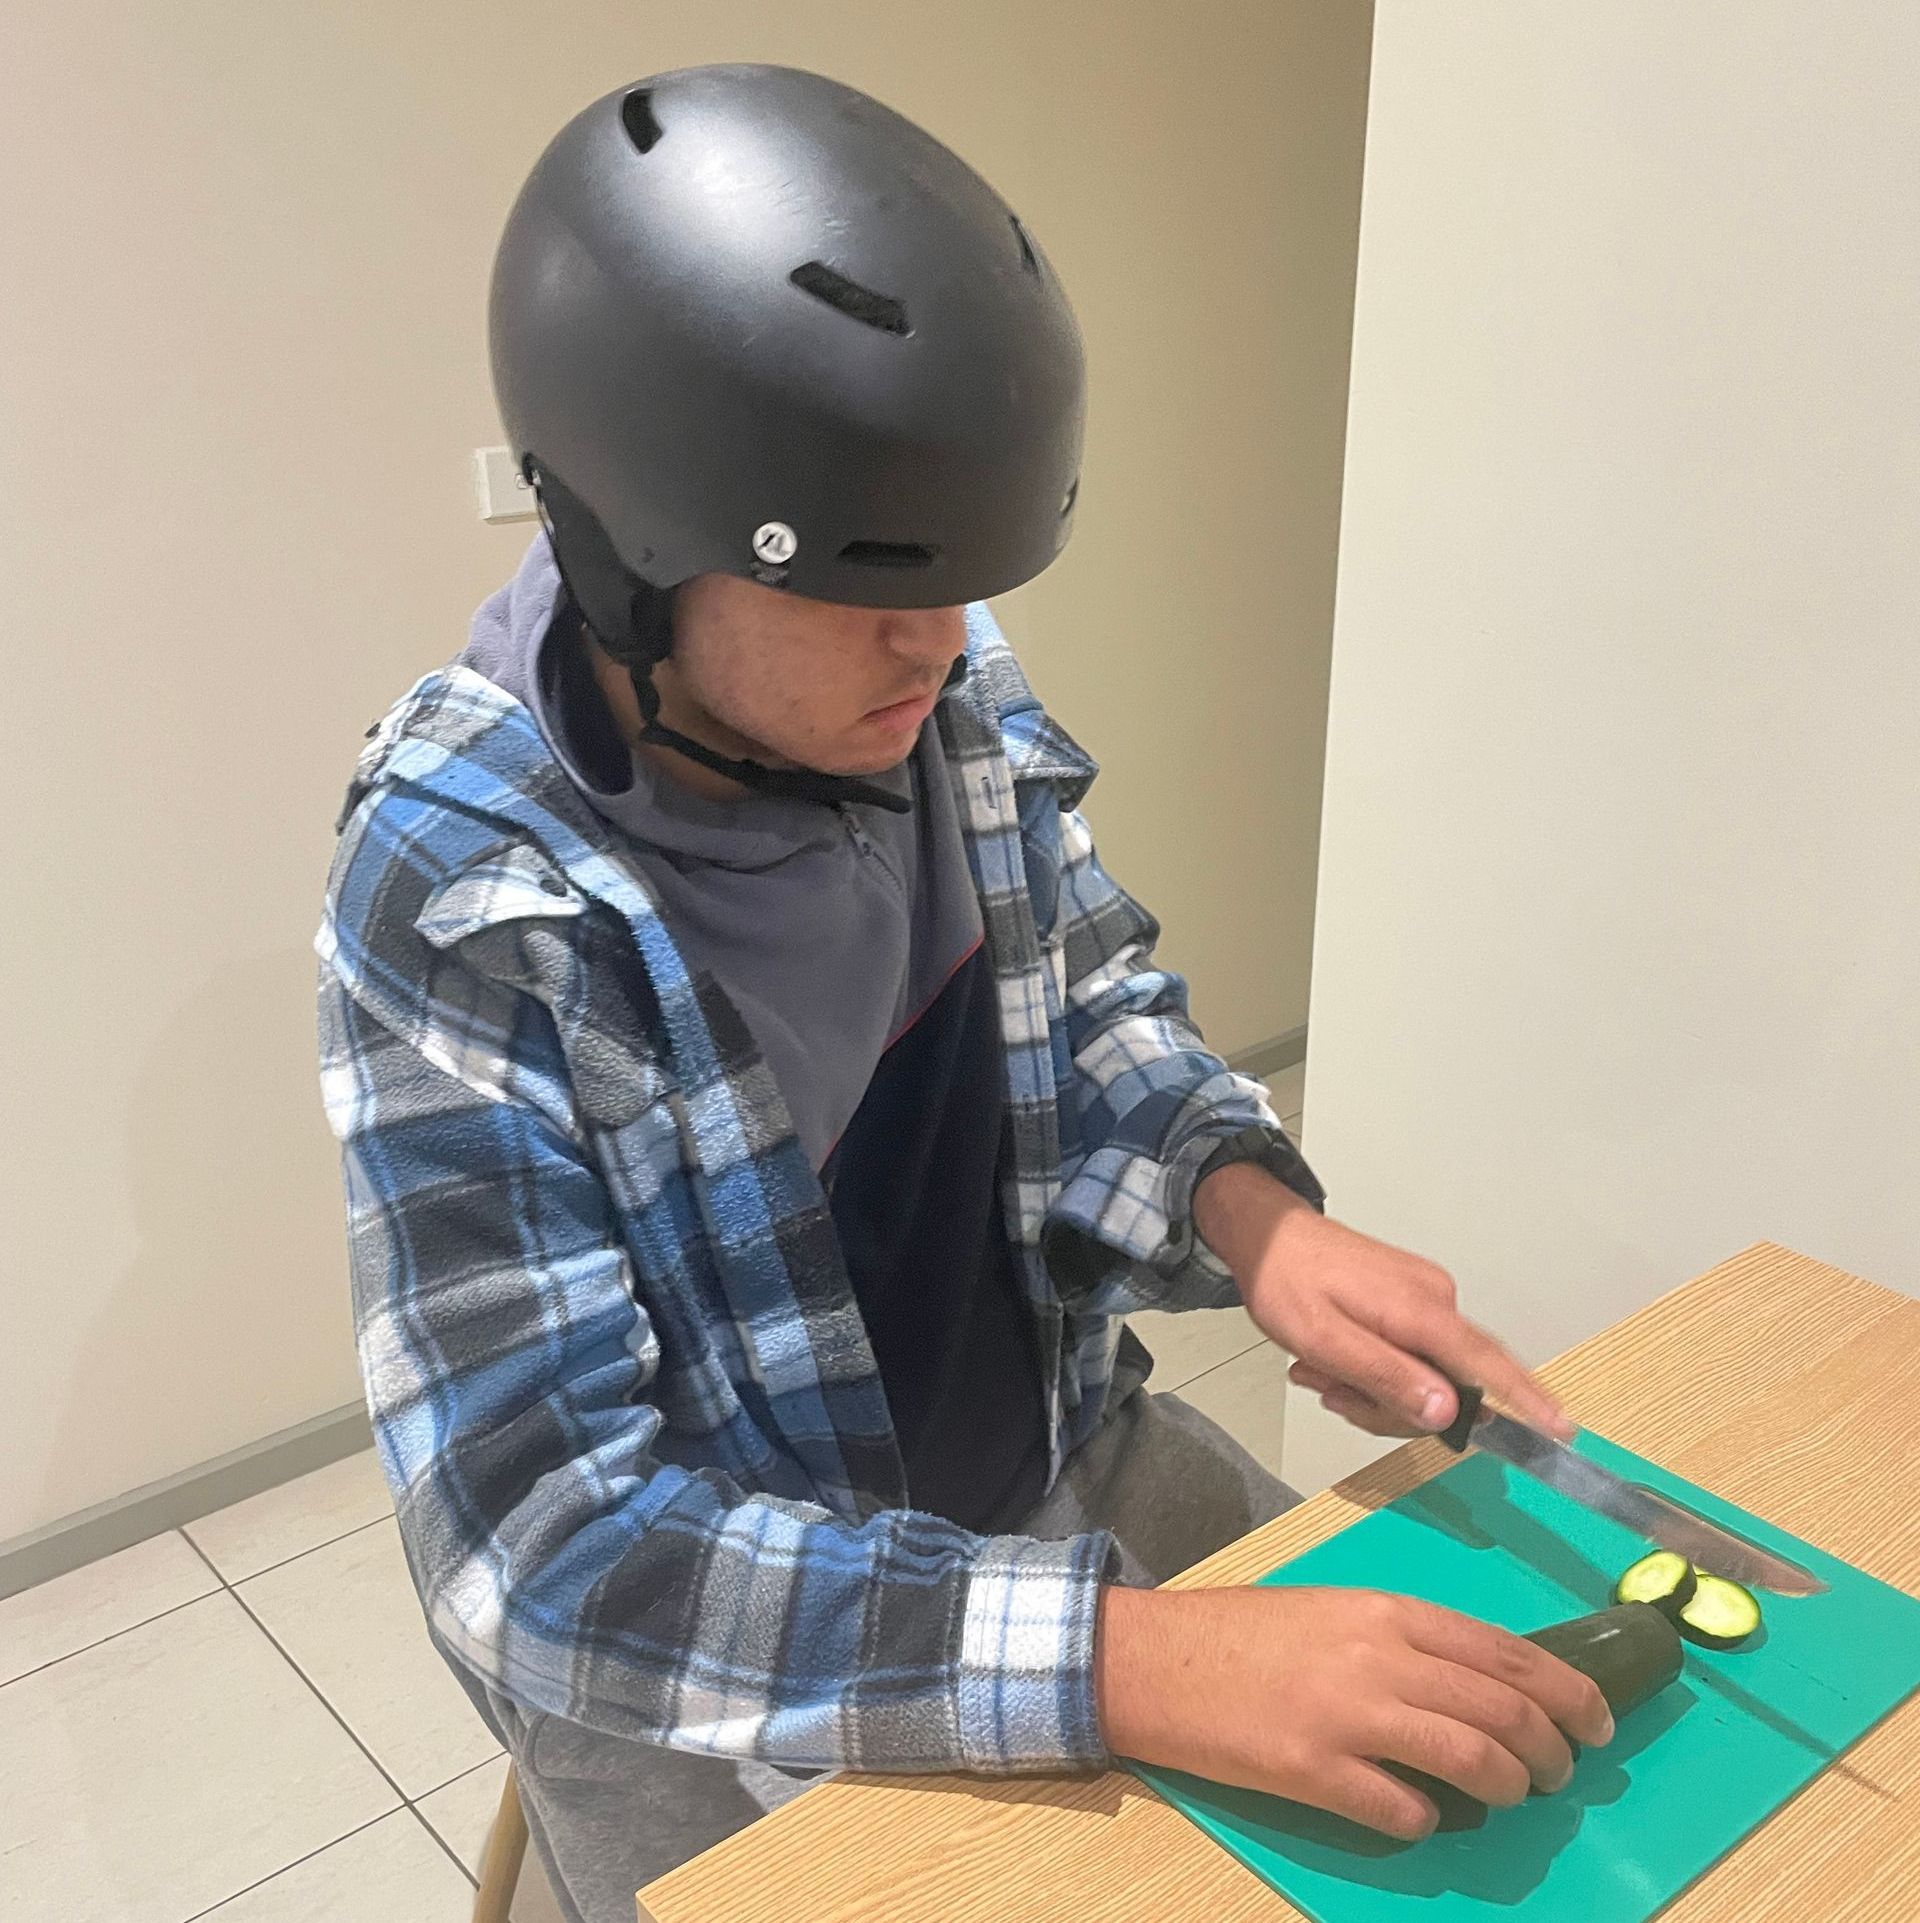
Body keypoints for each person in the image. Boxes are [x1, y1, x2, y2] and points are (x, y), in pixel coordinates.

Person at [316, 64, 1612, 1923]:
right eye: (865, 600)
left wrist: (1258, 1222)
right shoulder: (462, 889)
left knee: (1459, 1763)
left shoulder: (924, 679)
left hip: (1060, 1471)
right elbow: (545, 1541)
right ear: (634, 562)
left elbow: (1082, 1017)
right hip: (732, 1683)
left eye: (956, 590)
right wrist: (1135, 1666)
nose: (940, 647)